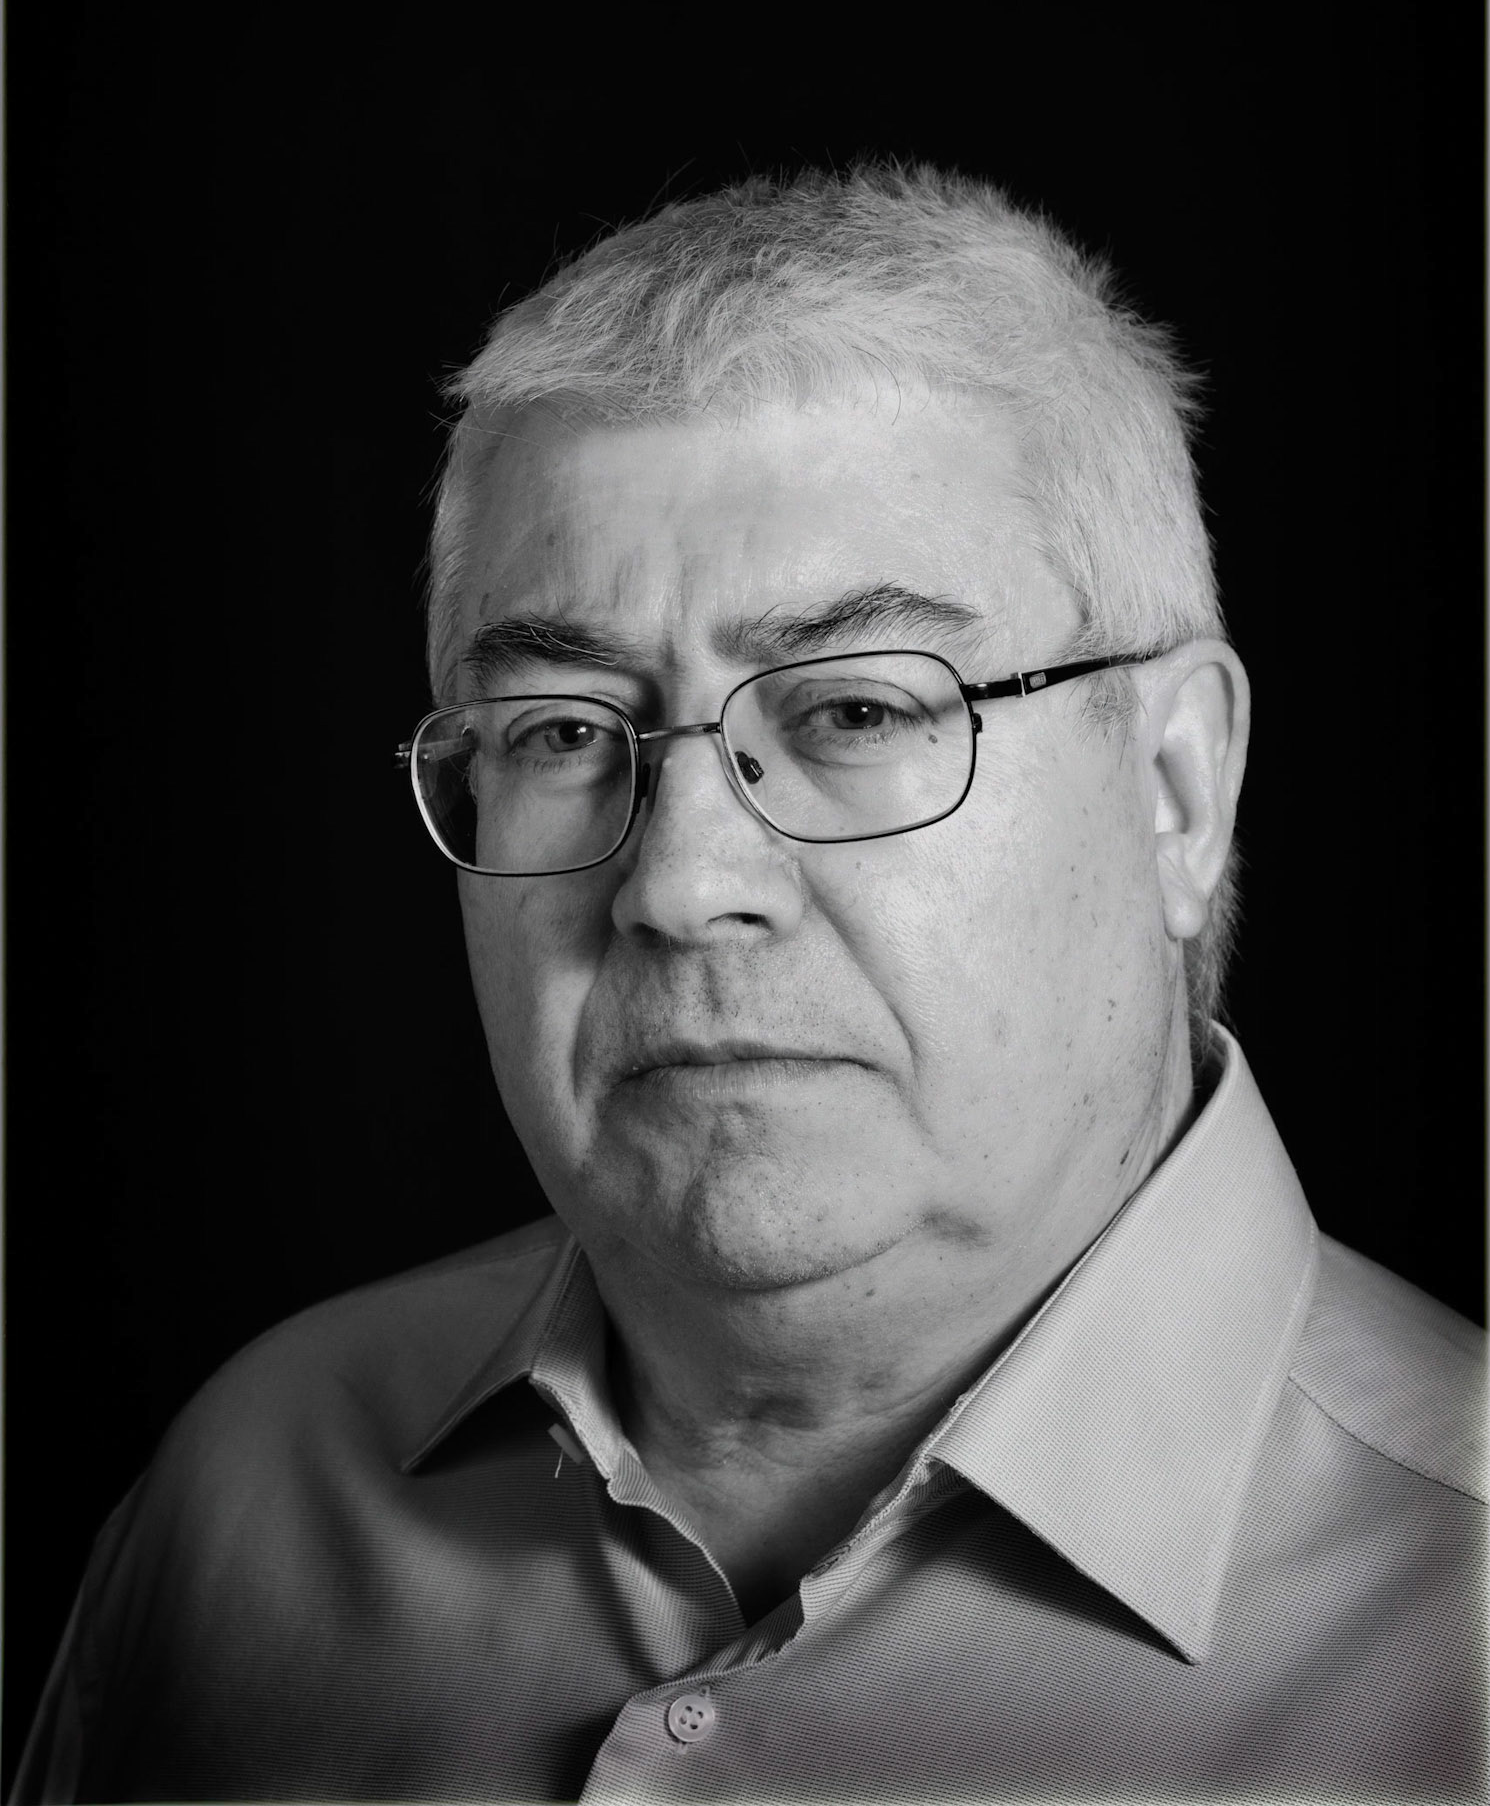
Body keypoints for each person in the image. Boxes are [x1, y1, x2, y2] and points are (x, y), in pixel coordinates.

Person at [14, 165, 1484, 1802]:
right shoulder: (250, 1500)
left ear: (1174, 789)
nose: (678, 881)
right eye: (562, 731)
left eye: (853, 711)